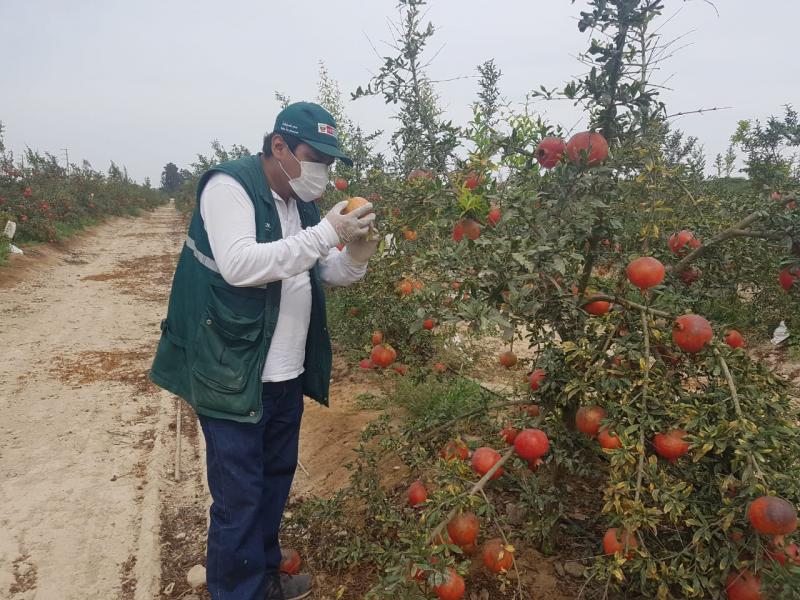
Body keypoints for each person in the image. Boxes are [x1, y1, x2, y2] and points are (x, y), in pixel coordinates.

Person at [149, 101, 378, 600]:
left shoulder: (303, 204)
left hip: (285, 374)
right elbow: (239, 265)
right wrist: (325, 235)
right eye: (313, 155)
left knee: (273, 485)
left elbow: (320, 272)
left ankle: (264, 577)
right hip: (233, 374)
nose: (323, 170)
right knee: (239, 498)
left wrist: (355, 255)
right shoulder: (229, 187)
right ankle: (237, 591)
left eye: (329, 161)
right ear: (279, 146)